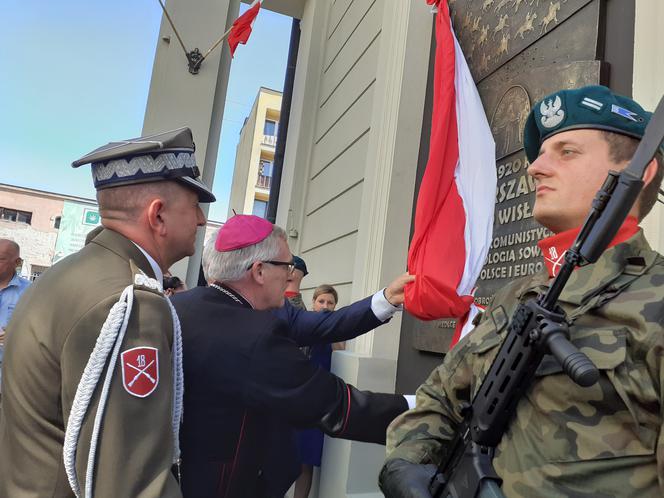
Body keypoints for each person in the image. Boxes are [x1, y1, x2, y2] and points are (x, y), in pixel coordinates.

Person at [380, 85, 664, 498]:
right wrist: (406, 464)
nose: (535, 168)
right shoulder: (516, 297)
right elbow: (440, 397)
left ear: (638, 172)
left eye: (566, 152)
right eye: (541, 153)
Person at [0, 127, 215, 498]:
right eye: (194, 205)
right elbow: (132, 483)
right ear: (158, 215)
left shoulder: (69, 274)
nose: (200, 219)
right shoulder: (130, 303)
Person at [171, 214, 414, 498]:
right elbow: (337, 406)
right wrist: (427, 405)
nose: (290, 275)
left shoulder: (176, 307)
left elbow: (324, 325)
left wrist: (387, 299)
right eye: (286, 265)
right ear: (259, 271)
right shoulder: (257, 335)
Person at [294, 284, 340, 498]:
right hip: (296, 400)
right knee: (286, 455)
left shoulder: (337, 331)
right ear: (313, 303)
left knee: (306, 460)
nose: (325, 306)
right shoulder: (302, 326)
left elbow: (341, 357)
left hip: (318, 405)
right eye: (321, 301)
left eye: (330, 303)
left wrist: (333, 332)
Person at [0, 239, 30, 384]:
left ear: (17, 262)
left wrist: (16, 335)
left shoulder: (30, 291)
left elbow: (38, 329)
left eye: (1, 259)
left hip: (9, 374)